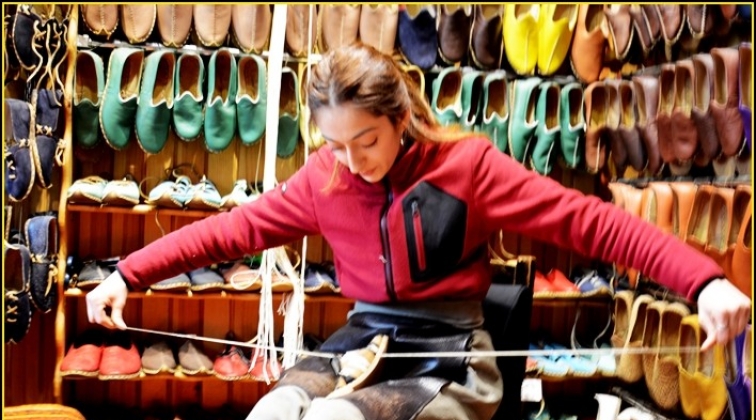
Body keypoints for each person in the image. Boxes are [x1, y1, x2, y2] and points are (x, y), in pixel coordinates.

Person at [86, 43, 751, 420]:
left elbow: (592, 224)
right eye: (336, 145)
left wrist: (705, 283)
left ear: (399, 118)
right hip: (364, 340)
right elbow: (231, 231)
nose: (352, 163)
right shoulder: (324, 177)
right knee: (272, 414)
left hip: (452, 351)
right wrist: (127, 274)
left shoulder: (467, 167)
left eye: (367, 141)